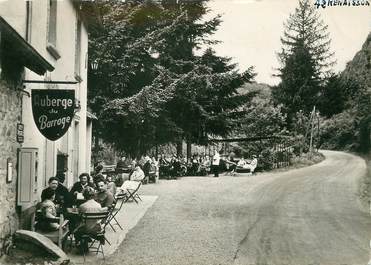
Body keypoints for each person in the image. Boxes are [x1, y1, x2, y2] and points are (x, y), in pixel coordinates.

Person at [76, 187, 104, 252]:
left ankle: (81, 243)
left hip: (86, 229)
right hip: (97, 229)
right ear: (94, 195)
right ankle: (86, 240)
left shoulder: (82, 206)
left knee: (76, 225)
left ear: (84, 196)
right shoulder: (98, 205)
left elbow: (79, 217)